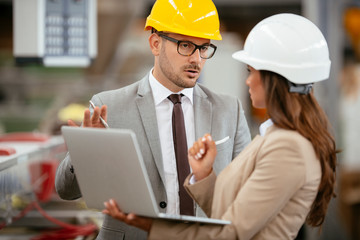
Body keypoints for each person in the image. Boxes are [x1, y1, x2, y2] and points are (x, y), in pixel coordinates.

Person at [102, 13, 338, 240]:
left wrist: (152, 226)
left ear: (271, 78)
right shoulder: (276, 136)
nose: (247, 80)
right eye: (185, 46)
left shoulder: (288, 147)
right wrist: (204, 176)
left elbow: (233, 232)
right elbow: (234, 214)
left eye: (250, 71)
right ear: (155, 44)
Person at [55, 0, 251, 239]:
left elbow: (245, 198)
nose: (197, 59)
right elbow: (66, 191)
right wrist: (83, 150)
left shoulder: (229, 109)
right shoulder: (110, 106)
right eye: (186, 45)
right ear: (155, 44)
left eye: (204, 48)